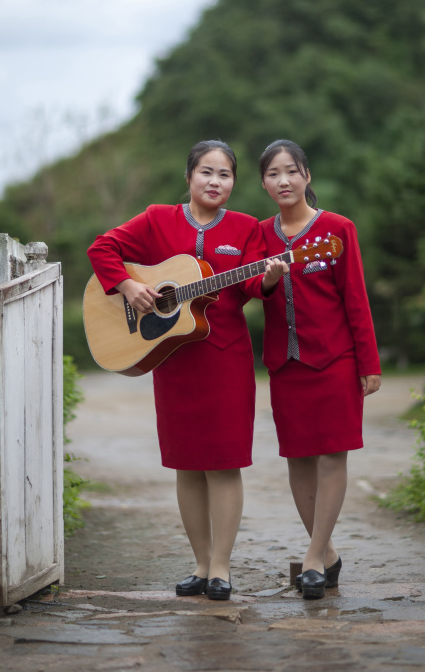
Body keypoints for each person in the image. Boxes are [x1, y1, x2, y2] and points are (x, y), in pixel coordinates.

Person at [87, 140, 286, 601]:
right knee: (186, 465)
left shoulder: (246, 228)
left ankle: (221, 568)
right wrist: (129, 285)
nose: (215, 182)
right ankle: (199, 564)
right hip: (172, 357)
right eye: (206, 173)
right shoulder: (157, 218)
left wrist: (271, 278)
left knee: (223, 462)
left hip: (226, 358)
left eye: (225, 175)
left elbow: (254, 284)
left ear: (234, 182)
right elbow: (103, 249)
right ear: (189, 177)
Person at [258, 139, 381, 599]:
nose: (283, 180)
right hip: (284, 362)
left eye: (291, 171)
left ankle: (311, 558)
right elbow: (247, 287)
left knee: (333, 455)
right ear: (264, 183)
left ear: (307, 175)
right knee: (297, 457)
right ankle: (326, 553)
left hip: (334, 359)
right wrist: (266, 282)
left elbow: (356, 299)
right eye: (273, 173)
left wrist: (368, 363)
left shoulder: (336, 229)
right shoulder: (258, 233)